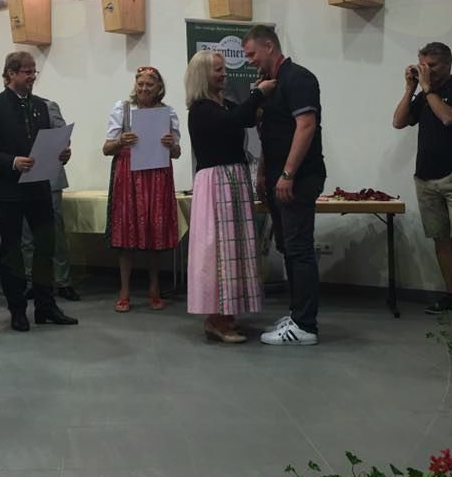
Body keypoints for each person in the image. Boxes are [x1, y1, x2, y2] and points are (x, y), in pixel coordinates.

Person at [0, 52, 78, 332]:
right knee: (13, 251)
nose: (32, 77)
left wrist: (62, 154)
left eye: (34, 72)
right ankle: (17, 309)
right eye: (27, 72)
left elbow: (46, 143)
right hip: (8, 191)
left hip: (40, 186)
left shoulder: (40, 106)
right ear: (11, 73)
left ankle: (46, 305)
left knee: (46, 246)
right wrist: (12, 161)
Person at [242, 24, 326, 346]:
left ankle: (305, 325)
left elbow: (306, 126)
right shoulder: (271, 86)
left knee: (299, 248)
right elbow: (272, 134)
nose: (250, 60)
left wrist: (288, 174)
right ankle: (297, 313)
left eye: (252, 54)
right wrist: (264, 173)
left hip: (298, 179)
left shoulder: (299, 78)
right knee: (288, 247)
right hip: (279, 179)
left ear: (269, 46)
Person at [185, 51, 275, 343]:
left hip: (233, 179)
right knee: (218, 249)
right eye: (218, 70)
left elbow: (246, 118)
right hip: (216, 182)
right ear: (203, 75)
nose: (224, 74)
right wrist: (258, 93)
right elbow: (236, 119)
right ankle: (215, 318)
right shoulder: (201, 109)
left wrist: (261, 100)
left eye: (223, 69)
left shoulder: (223, 105)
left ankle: (227, 312)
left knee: (234, 248)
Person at [392, 42, 452, 315]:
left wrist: (428, 89)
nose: (425, 70)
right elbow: (398, 122)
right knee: (440, 239)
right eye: (422, 65)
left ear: (447, 64)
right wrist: (410, 88)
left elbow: (448, 118)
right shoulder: (422, 95)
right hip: (426, 177)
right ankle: (451, 294)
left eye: (431, 65)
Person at [102, 66, 181, 313]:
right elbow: (106, 149)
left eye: (149, 84)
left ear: (159, 88)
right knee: (126, 235)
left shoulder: (167, 113)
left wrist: (171, 145)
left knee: (153, 233)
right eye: (140, 84)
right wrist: (120, 141)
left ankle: (154, 288)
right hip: (128, 175)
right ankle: (124, 291)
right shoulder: (123, 109)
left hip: (157, 175)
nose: (144, 88)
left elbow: (177, 153)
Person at [22, 97, 78, 301]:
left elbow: (63, 137)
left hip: (49, 177)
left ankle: (62, 281)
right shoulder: (6, 108)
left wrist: (61, 147)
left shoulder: (47, 105)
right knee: (26, 235)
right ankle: (31, 281)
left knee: (55, 233)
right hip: (22, 176)